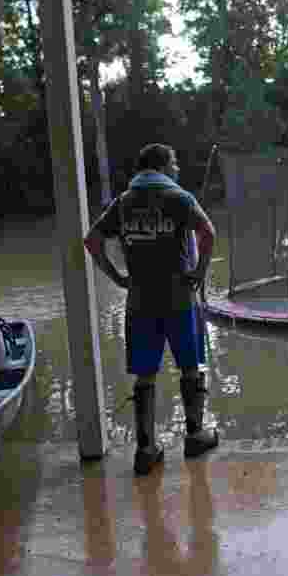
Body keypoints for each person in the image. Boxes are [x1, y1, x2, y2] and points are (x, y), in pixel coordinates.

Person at [84, 143, 219, 476]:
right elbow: (208, 233)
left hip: (140, 302)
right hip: (179, 299)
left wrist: (117, 276)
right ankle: (194, 435)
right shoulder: (179, 198)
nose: (177, 169)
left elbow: (92, 240)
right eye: (174, 163)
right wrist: (200, 272)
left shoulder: (125, 202)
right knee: (189, 366)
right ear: (162, 166)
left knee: (145, 374)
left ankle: (145, 450)